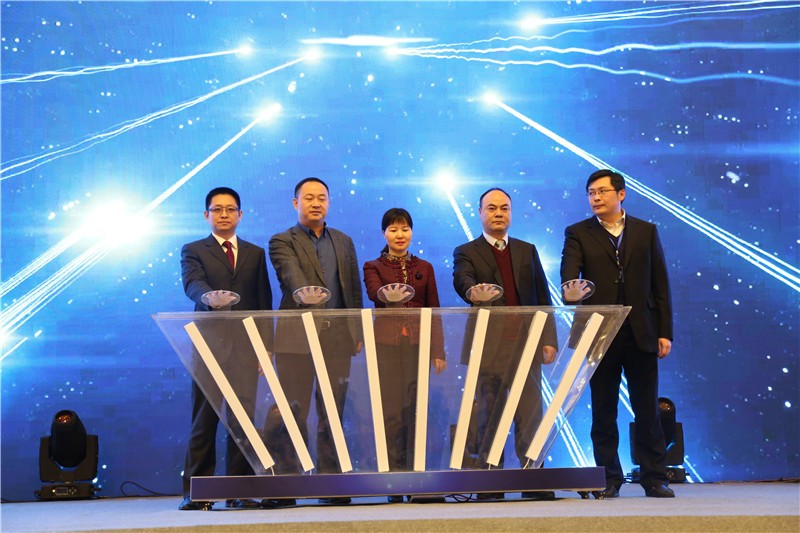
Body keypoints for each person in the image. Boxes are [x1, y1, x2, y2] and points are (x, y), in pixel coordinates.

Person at [560, 168, 674, 499]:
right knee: (603, 409)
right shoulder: (577, 232)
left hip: (642, 331)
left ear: (621, 194)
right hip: (600, 333)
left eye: (602, 191)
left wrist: (664, 331)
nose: (596, 197)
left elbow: (660, 283)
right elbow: (569, 274)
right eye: (591, 193)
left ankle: (654, 477)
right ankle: (609, 477)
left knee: (647, 408)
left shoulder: (646, 231)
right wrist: (570, 290)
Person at [453, 188, 557, 502]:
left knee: (530, 415)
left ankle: (533, 478)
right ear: (480, 213)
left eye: (505, 208)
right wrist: (473, 292)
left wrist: (549, 339)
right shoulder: (466, 251)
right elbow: (462, 279)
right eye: (492, 208)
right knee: (490, 416)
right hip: (489, 347)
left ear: (511, 212)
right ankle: (491, 481)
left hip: (526, 345)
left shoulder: (527, 250)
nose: (499, 213)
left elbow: (543, 296)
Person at [268, 177, 362, 506]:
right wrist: (309, 296)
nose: (316, 203)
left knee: (332, 412)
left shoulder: (344, 241)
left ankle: (330, 483)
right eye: (309, 198)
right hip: (297, 338)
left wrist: (356, 331)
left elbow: (353, 290)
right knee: (293, 409)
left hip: (337, 337)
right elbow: (291, 276)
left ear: (329, 202)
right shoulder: (282, 240)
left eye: (322, 197)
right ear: (296, 203)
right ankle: (287, 483)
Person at [179, 186, 272, 510]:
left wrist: (265, 348)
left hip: (246, 349)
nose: (224, 215)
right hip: (210, 348)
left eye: (230, 209)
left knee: (243, 421)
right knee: (204, 421)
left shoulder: (255, 253)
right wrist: (208, 297)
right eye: (217, 209)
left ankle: (239, 491)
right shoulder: (194, 250)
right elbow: (192, 283)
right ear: (206, 215)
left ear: (240, 215)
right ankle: (197, 492)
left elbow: (262, 301)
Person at [362, 208, 446, 503]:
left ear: (412, 232)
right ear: (384, 233)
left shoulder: (426, 267)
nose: (400, 235)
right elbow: (375, 293)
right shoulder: (372, 266)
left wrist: (438, 351)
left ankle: (417, 474)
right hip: (386, 346)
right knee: (391, 409)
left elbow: (434, 309)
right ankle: (393, 478)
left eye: (405, 229)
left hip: (419, 347)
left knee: (416, 408)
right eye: (394, 229)